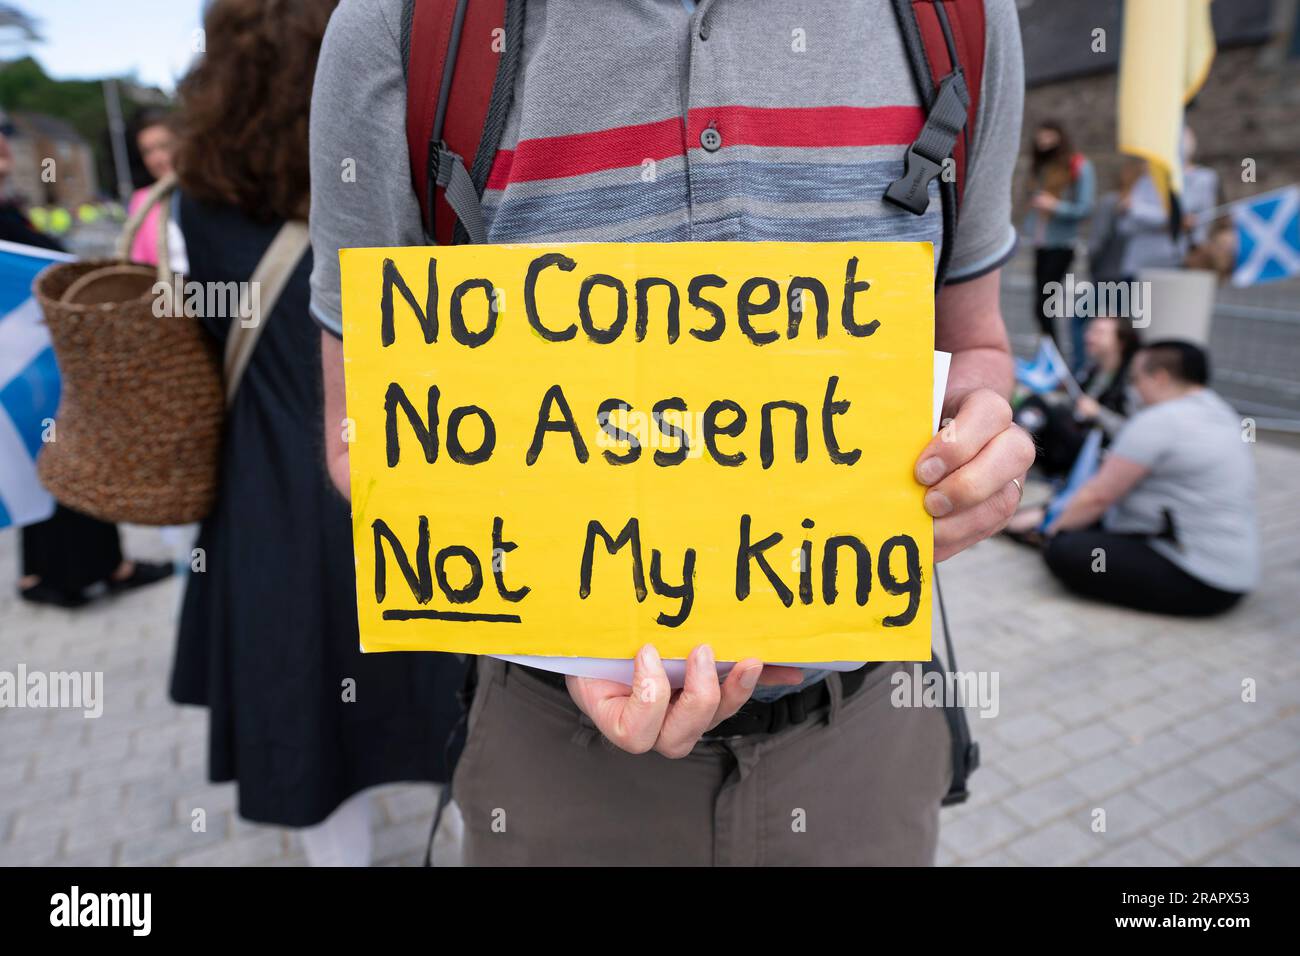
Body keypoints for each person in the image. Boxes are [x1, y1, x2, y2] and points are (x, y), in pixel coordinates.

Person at [309, 0, 1033, 866]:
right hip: (556, 757)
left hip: (864, 746)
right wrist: (577, 623)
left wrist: (980, 449)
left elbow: (976, 342)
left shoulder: (962, 16)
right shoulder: (401, 24)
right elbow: (366, 433)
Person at [167, 0, 467, 867]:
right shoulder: (408, 165)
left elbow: (198, 348)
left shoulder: (200, 201)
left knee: (309, 736)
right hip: (408, 476)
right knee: (453, 702)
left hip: (268, 506)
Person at [0, 111, 172, 608]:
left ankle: (47, 572)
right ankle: (84, 570)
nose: (7, 148)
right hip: (29, 363)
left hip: (36, 358)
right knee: (69, 456)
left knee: (53, 457)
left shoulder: (12, 205)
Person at [1041, 341, 1257, 616]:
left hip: (1199, 578)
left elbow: (1098, 496)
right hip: (1235, 570)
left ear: (1160, 378)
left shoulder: (1159, 421)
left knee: (1065, 549)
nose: (1134, 388)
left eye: (1136, 379)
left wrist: (1049, 532)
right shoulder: (1223, 412)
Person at [1013, 314, 1139, 477]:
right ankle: (1017, 448)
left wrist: (1097, 413)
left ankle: (1016, 450)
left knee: (1039, 407)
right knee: (1035, 402)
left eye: (1099, 333)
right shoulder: (1092, 370)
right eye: (1090, 331)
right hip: (1077, 437)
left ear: (1121, 342)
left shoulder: (1130, 383)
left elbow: (1132, 430)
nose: (1089, 337)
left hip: (1097, 451)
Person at [1023, 120, 1094, 347]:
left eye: (1049, 137)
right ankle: (1050, 359)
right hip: (1041, 242)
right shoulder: (1041, 166)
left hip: (1062, 245)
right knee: (1040, 306)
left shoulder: (1078, 166)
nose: (1044, 142)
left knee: (1045, 305)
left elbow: (1085, 207)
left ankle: (1056, 362)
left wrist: (1055, 206)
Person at [123, 109, 178, 267]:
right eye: (148, 151)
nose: (157, 159)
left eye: (164, 146)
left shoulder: (206, 191)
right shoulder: (141, 200)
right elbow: (137, 260)